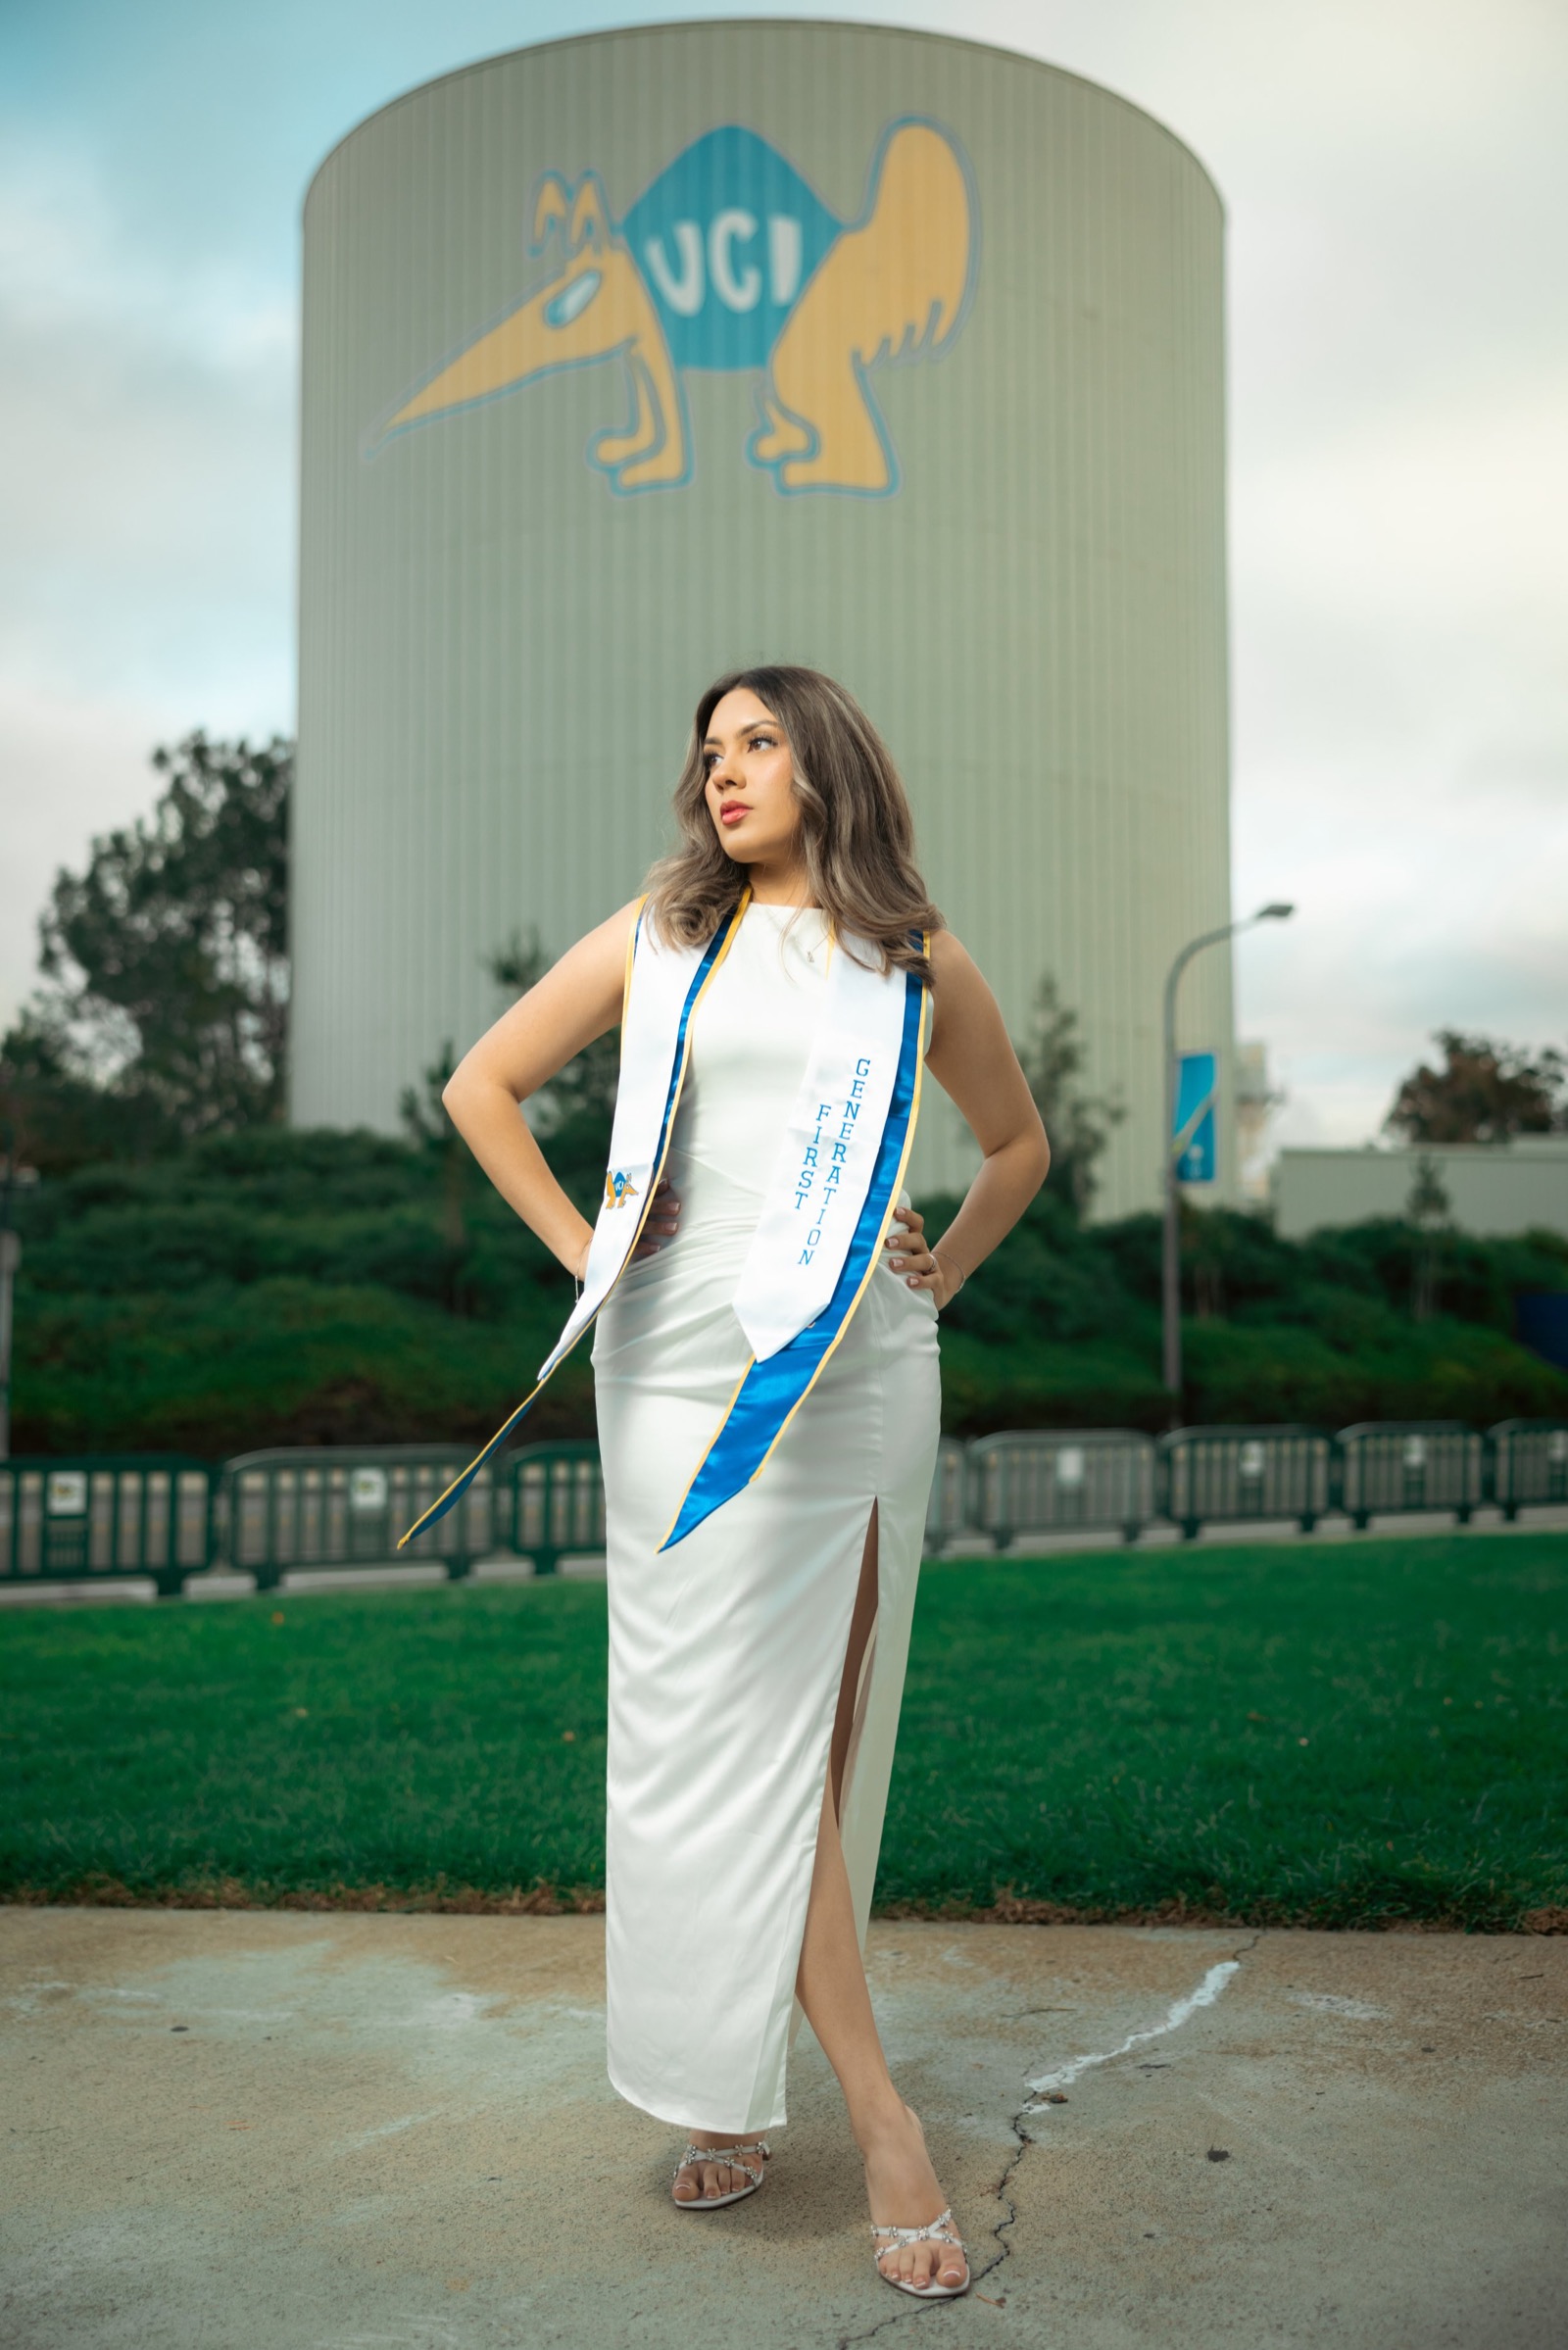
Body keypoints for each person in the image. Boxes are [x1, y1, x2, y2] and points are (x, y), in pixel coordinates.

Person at [441, 665, 1049, 2298]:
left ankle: (738, 2088)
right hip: (672, 1375)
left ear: (827, 762)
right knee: (717, 1742)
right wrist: (589, 1248)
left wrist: (942, 1268)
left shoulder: (913, 957)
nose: (724, 771)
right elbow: (481, 1084)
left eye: (759, 743)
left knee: (808, 1750)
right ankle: (876, 2113)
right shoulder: (664, 933)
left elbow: (1018, 1147)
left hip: (856, 1376)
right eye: (711, 750)